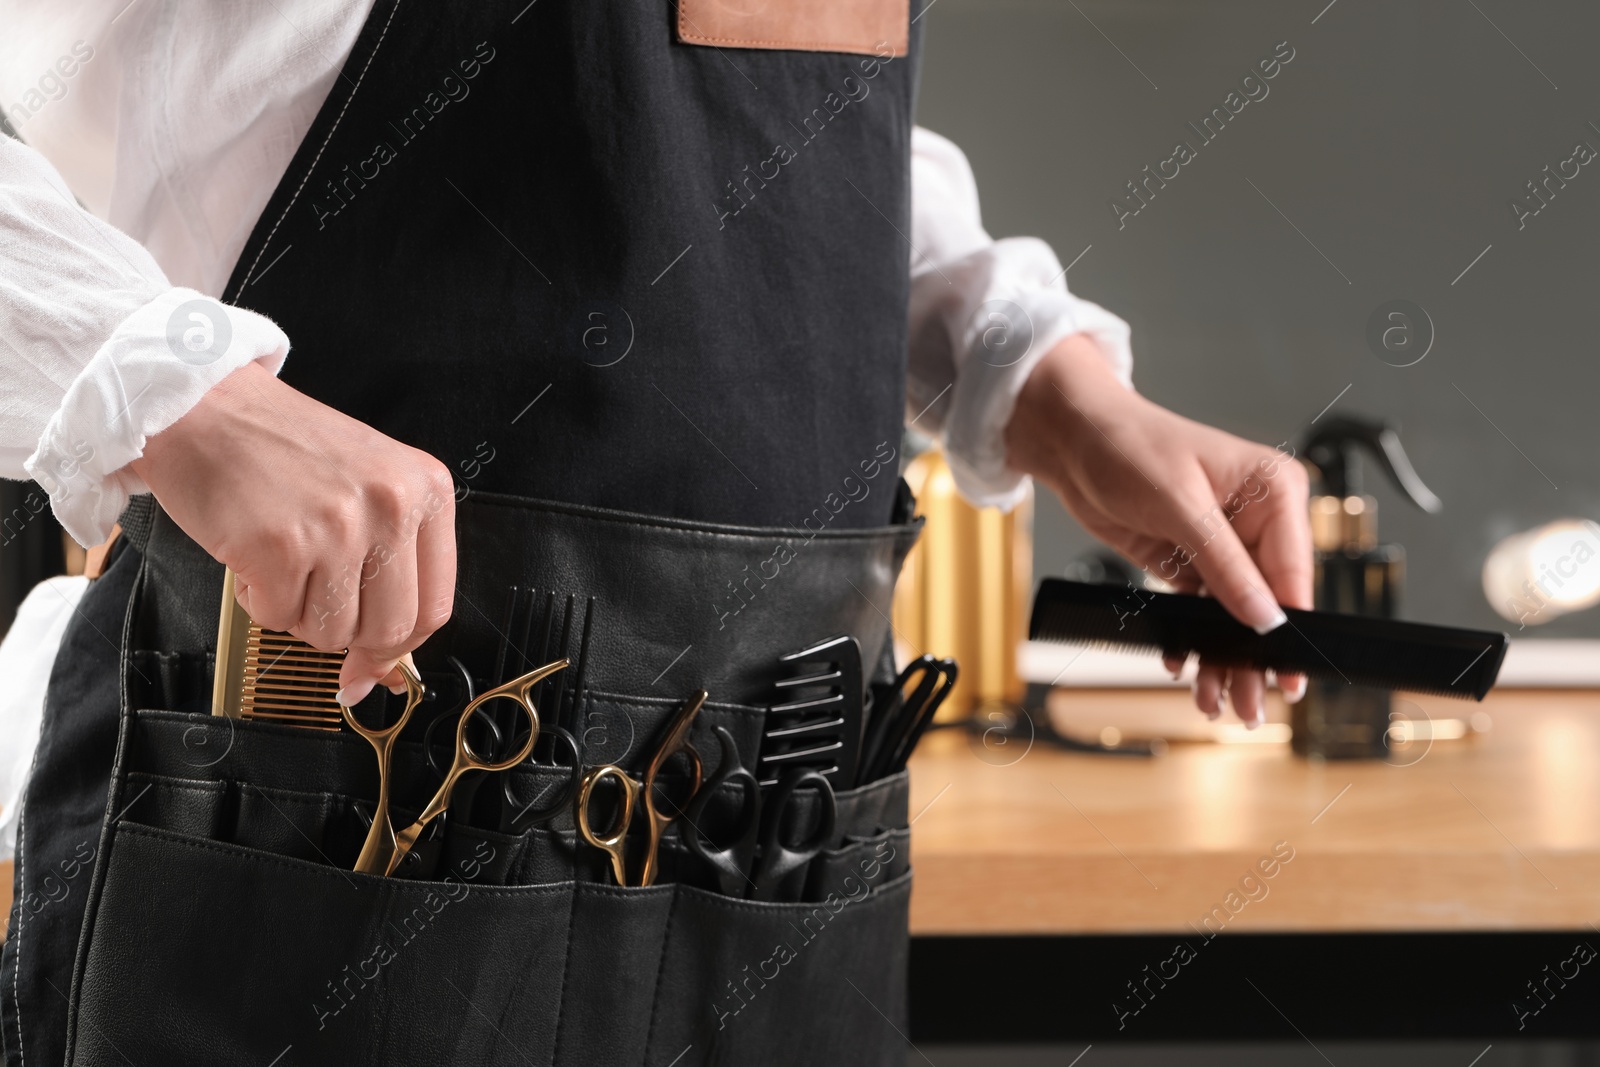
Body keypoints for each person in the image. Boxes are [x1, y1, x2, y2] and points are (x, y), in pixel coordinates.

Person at [0, 2, 1309, 1063]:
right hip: (300, 839)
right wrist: (182, 398)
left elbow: (756, 119)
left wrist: (1038, 377)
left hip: (777, 862)